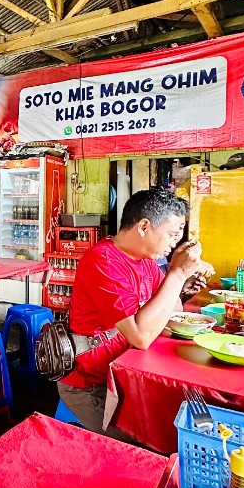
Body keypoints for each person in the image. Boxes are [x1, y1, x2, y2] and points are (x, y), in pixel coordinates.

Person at [58, 187, 210, 438]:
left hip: (123, 374)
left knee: (171, 421)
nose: (175, 244)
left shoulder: (146, 262)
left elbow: (174, 312)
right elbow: (140, 336)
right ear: (143, 227)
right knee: (145, 442)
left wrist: (177, 283)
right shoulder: (104, 261)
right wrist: (177, 274)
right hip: (90, 384)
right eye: (172, 235)